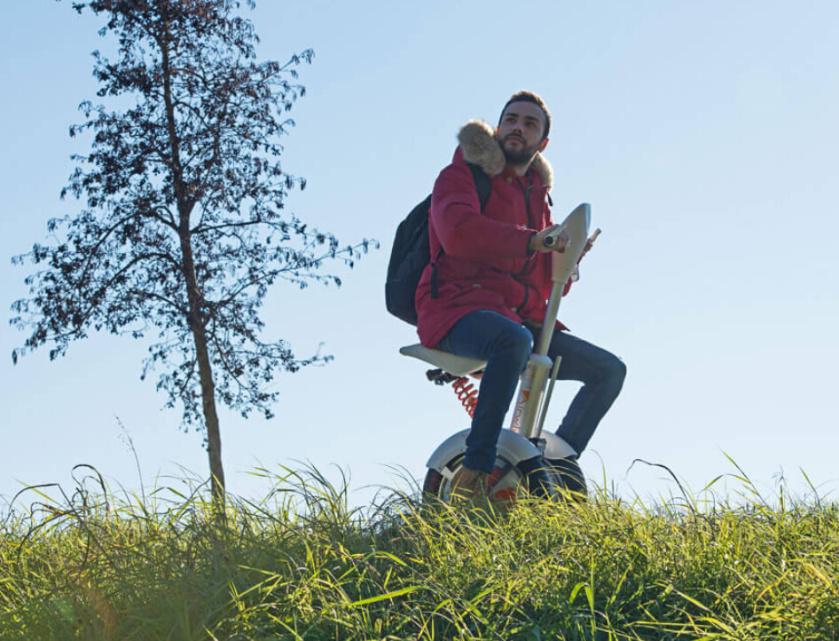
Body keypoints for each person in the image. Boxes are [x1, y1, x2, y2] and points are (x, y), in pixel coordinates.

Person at [415, 91, 626, 498]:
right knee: (512, 340)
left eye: (530, 124)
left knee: (609, 371)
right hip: (456, 307)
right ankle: (475, 474)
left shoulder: (538, 196)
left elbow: (546, 283)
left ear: (542, 143)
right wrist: (532, 242)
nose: (518, 127)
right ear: (497, 129)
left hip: (517, 317)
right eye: (511, 119)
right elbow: (458, 233)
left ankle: (553, 467)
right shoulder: (459, 176)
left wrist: (567, 261)